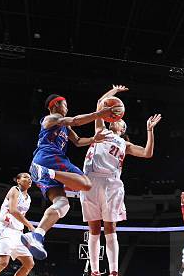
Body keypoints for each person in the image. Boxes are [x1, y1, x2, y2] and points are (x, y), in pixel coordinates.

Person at [82, 85, 163, 276]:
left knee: (109, 229)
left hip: (111, 183)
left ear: (122, 127)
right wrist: (114, 93)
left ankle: (114, 275)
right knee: (93, 230)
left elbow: (147, 153)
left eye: (119, 119)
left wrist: (150, 130)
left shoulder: (124, 144)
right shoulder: (100, 131)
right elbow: (100, 105)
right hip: (90, 181)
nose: (116, 118)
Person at [21, 94, 123, 260]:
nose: (67, 108)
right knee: (86, 184)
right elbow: (75, 120)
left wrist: (93, 139)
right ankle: (48, 173)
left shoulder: (63, 127)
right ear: (55, 105)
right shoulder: (50, 118)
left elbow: (77, 141)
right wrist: (99, 114)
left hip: (43, 164)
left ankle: (36, 235)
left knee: (62, 205)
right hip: (49, 158)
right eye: (64, 104)